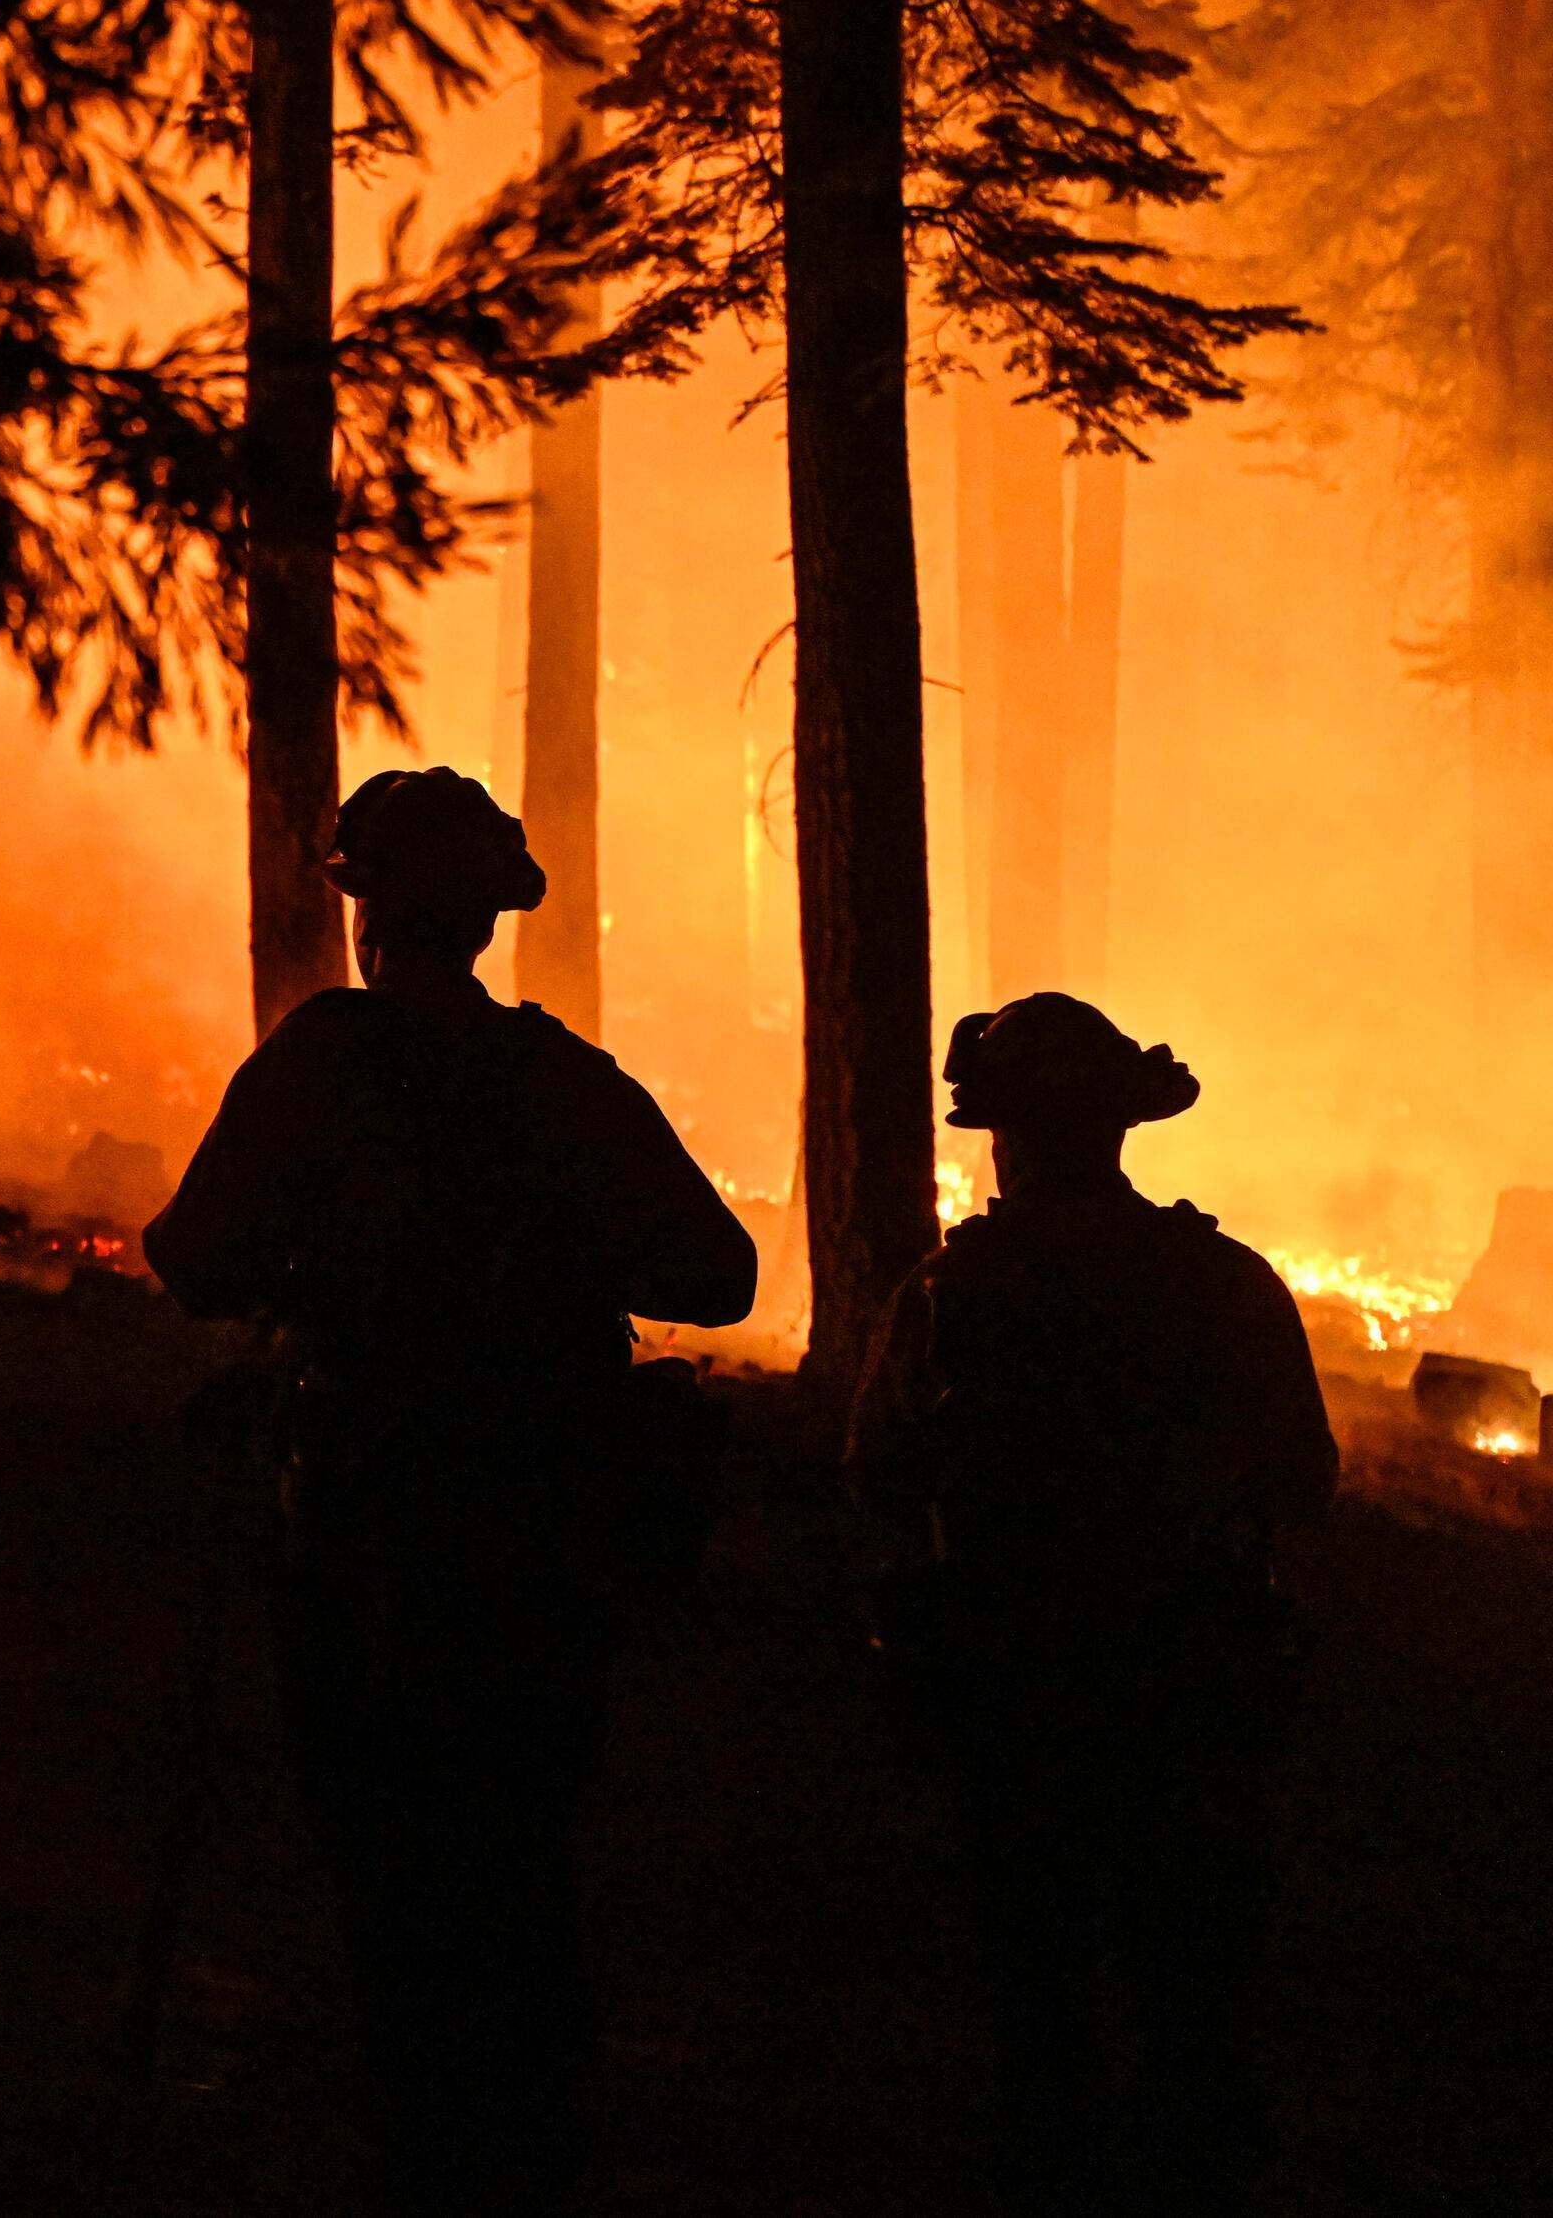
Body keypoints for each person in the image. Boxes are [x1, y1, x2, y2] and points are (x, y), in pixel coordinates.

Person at [141, 767, 754, 2217]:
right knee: (520, 1834)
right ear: (486, 922)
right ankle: (529, 2130)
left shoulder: (320, 1062)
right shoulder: (565, 1080)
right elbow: (716, 1274)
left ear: (369, 918)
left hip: (360, 1514)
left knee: (380, 1834)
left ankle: (420, 2125)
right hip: (544, 1526)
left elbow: (192, 1255)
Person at [849, 995, 1336, 2217]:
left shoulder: (947, 1296)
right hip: (1189, 1680)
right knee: (1190, 1965)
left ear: (1001, 1136)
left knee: (1035, 1968)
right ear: (1122, 1130)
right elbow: (1301, 1477)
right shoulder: (1224, 1284)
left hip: (1011, 1684)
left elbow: (876, 1471)